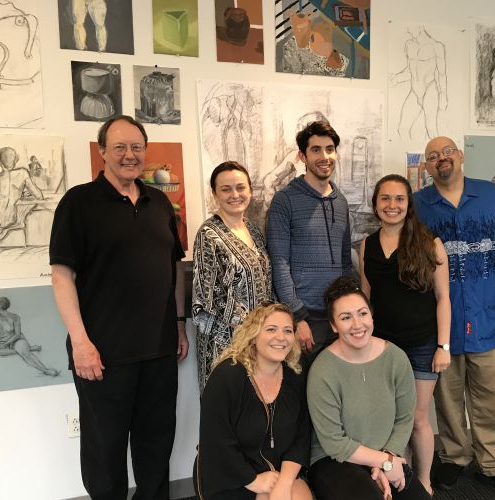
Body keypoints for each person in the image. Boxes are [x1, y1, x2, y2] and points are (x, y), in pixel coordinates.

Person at [50, 115, 189, 499]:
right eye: (120, 148)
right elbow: (62, 276)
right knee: (104, 454)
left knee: (156, 449)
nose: (130, 155)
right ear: (102, 153)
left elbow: (174, 268)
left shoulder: (159, 202)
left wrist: (178, 325)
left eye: (137, 147)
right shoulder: (78, 203)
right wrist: (80, 342)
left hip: (159, 353)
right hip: (102, 355)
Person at [414, 136, 495, 499]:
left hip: (490, 321)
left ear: (460, 156)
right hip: (441, 326)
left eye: (447, 151)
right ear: (427, 167)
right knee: (447, 399)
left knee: (491, 397)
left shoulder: (494, 197)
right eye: (433, 156)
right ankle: (454, 457)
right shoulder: (418, 206)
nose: (441, 159)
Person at [358, 174, 450, 495]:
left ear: (409, 204)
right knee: (392, 419)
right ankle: (402, 476)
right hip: (383, 347)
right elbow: (365, 301)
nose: (392, 205)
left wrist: (443, 345)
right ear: (376, 204)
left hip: (423, 345)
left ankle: (423, 482)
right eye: (385, 199)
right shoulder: (366, 245)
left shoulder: (429, 243)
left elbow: (443, 299)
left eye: (399, 199)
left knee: (418, 419)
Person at [306, 277, 430, 500]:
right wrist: (384, 462)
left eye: (362, 313)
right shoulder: (322, 370)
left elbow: (404, 419)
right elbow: (334, 442)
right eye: (345, 317)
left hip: (384, 452)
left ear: (371, 315)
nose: (357, 324)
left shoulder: (396, 358)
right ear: (333, 325)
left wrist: (389, 456)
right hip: (334, 461)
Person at [194, 303, 312, 500]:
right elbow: (217, 442)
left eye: (288, 330)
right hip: (229, 474)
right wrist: (254, 481)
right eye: (271, 329)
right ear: (254, 335)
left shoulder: (295, 375)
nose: (281, 337)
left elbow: (301, 436)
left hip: (277, 471)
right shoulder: (228, 375)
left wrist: (284, 483)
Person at [266, 120, 352, 368]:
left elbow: (346, 262)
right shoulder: (285, 201)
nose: (324, 156)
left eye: (329, 149)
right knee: (300, 397)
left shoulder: (341, 202)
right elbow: (279, 263)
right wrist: (297, 317)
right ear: (302, 156)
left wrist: (346, 312)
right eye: (316, 150)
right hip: (304, 321)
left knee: (332, 395)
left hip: (336, 318)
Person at [192, 161, 273, 391]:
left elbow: (267, 282)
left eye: (240, 187)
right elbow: (212, 296)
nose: (235, 194)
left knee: (256, 410)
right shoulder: (208, 234)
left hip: (259, 341)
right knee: (227, 411)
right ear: (215, 193)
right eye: (226, 189)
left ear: (250, 190)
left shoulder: (253, 229)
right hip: (225, 344)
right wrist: (251, 331)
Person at [0, 296, 59, 377]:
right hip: (0, 342)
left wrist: (5, 344)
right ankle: (29, 348)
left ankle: (45, 370)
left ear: (0, 307)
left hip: (16, 340)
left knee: (25, 354)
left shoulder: (15, 317)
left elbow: (17, 334)